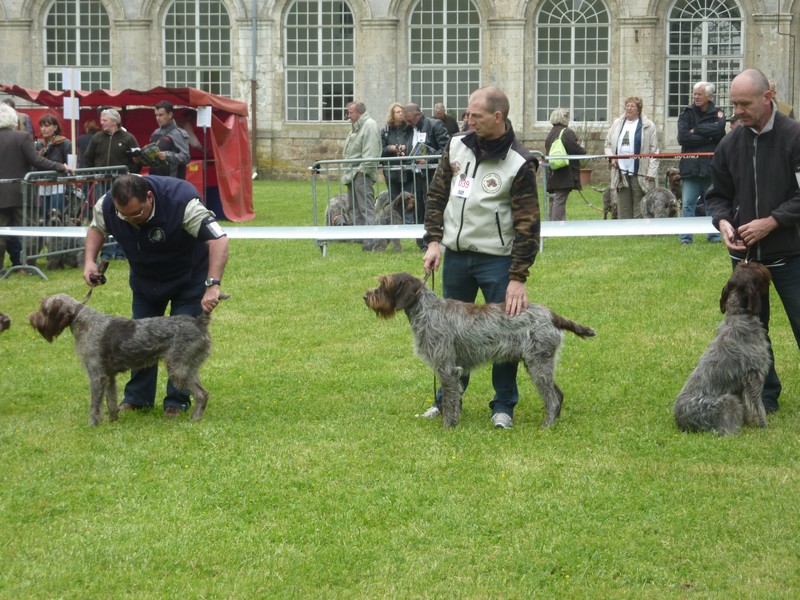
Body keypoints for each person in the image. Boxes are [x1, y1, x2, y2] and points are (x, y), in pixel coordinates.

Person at [421, 86, 540, 430]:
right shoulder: (457, 144)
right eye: (467, 114)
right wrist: (433, 241)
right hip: (456, 257)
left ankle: (503, 405)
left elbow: (528, 224)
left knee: (505, 335)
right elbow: (437, 195)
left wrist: (518, 276)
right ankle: (446, 401)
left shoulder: (519, 161)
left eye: (476, 116)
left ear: (497, 117)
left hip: (497, 261)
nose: (468, 120)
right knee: (448, 336)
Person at [82, 174, 229, 416]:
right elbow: (97, 227)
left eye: (136, 214)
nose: (130, 220)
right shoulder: (107, 204)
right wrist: (89, 261)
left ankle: (177, 402)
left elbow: (219, 240)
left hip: (187, 277)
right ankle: (137, 398)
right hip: (146, 280)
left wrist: (212, 285)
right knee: (137, 339)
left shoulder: (182, 201)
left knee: (180, 343)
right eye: (124, 216)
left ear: (149, 197)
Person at [705, 68, 800, 416]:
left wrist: (773, 221)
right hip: (745, 263)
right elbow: (716, 195)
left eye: (745, 103)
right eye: (734, 104)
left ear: (767, 98)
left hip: (791, 255)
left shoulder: (794, 137)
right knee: (752, 332)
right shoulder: (730, 143)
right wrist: (724, 222)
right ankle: (767, 396)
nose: (738, 111)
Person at [0, 103, 70, 274]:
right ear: (13, 118)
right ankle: (28, 266)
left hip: (2, 193)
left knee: (1, 234)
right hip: (21, 193)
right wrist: (60, 166)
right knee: (28, 232)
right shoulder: (22, 137)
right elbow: (37, 161)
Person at [677, 82, 725, 244]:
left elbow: (719, 132)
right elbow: (682, 137)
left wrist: (696, 130)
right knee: (688, 204)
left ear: (709, 97)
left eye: (700, 94)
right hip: (690, 167)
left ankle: (713, 236)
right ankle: (686, 238)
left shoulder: (718, 113)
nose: (696, 97)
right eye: (695, 94)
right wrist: (708, 135)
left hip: (710, 167)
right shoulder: (686, 113)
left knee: (712, 204)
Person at [604, 97, 660, 219]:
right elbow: (608, 144)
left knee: (639, 201)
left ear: (639, 109)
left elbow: (654, 151)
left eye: (632, 106)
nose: (629, 108)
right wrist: (612, 158)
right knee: (623, 202)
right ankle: (625, 229)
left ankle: (639, 229)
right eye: (627, 105)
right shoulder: (617, 123)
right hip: (621, 171)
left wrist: (651, 171)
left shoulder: (648, 126)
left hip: (640, 170)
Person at [403, 103, 450, 240]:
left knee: (432, 206)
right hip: (416, 174)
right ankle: (422, 240)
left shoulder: (435, 125)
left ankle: (436, 238)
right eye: (406, 120)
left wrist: (429, 160)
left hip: (432, 174)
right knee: (418, 207)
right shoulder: (410, 129)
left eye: (410, 120)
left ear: (419, 114)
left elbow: (446, 148)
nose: (408, 123)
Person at [341, 101, 381, 245]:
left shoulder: (369, 125)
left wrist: (361, 171)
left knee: (366, 208)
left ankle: (371, 239)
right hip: (352, 173)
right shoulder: (357, 127)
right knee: (354, 208)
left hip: (361, 173)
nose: (348, 116)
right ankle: (359, 237)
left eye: (351, 113)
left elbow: (371, 152)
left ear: (359, 113)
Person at [544, 107, 586, 221]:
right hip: (564, 172)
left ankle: (554, 223)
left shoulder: (551, 133)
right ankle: (557, 225)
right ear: (563, 118)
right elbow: (576, 150)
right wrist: (582, 148)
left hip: (552, 171)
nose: (568, 119)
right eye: (566, 116)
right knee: (560, 199)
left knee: (554, 199)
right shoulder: (567, 132)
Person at [82, 108, 140, 173]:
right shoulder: (96, 137)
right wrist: (92, 177)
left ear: (115, 121)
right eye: (101, 120)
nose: (101, 123)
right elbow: (88, 158)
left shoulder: (128, 138)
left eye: (105, 120)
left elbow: (138, 159)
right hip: (100, 180)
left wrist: (130, 177)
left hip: (122, 181)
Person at [37, 113, 73, 214]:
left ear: (55, 127)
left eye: (47, 126)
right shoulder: (39, 144)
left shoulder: (65, 143)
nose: (43, 129)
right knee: (44, 218)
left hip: (59, 186)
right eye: (41, 126)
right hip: (43, 185)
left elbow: (71, 167)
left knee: (57, 217)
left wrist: (69, 189)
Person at [380, 102, 413, 209]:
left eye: (402, 111)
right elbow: (380, 150)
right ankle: (396, 222)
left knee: (409, 200)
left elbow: (414, 145)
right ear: (392, 115)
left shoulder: (410, 129)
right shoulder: (386, 131)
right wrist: (390, 148)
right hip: (392, 172)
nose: (400, 114)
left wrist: (406, 148)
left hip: (407, 171)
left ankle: (408, 224)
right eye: (397, 112)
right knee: (395, 200)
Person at [148, 100, 191, 178]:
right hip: (154, 179)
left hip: (172, 182)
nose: (158, 118)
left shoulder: (178, 133)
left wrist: (167, 156)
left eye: (161, 115)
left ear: (170, 114)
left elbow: (186, 157)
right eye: (156, 115)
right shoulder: (155, 132)